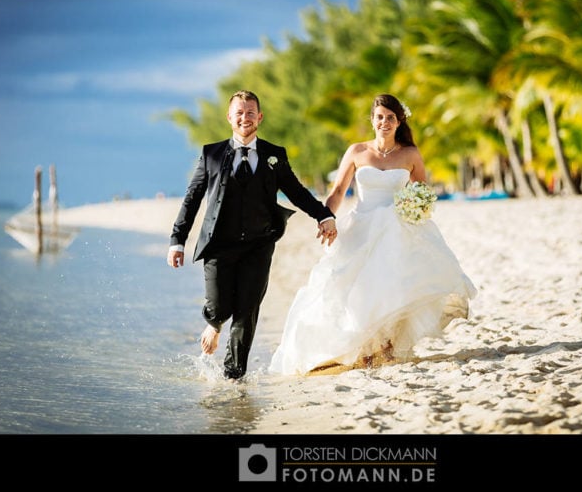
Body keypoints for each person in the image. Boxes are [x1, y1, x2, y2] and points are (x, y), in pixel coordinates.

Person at [269, 93, 477, 375]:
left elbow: (422, 194)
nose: (384, 122)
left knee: (392, 285)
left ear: (398, 120)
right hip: (362, 226)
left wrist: (415, 209)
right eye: (379, 117)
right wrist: (327, 218)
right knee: (359, 288)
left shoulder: (410, 154)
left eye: (390, 118)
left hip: (398, 229)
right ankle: (364, 347)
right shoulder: (357, 151)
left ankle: (388, 347)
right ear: (372, 120)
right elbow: (338, 191)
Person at [167, 90, 337, 380]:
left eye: (250, 112)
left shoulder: (274, 155)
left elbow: (296, 192)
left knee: (247, 311)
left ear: (259, 117)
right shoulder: (212, 153)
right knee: (219, 307)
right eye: (239, 112)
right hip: (219, 244)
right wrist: (177, 240)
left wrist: (323, 215)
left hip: (259, 245)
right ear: (229, 117)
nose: (244, 117)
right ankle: (215, 323)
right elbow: (192, 198)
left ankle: (234, 377)